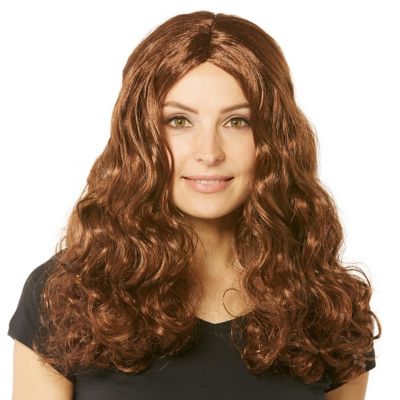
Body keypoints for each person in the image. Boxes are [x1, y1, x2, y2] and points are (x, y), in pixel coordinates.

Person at [8, 10, 381, 400]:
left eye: (237, 121)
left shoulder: (330, 306)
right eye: (179, 121)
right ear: (140, 136)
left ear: (274, 138)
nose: (209, 152)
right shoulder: (66, 294)